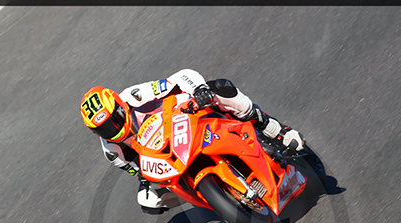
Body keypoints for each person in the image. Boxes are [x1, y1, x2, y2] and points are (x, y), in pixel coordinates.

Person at [80, 69, 306, 214]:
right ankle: (217, 198)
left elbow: (178, 78)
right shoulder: (112, 151)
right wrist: (150, 180)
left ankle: (272, 128)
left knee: (219, 88)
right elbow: (138, 172)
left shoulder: (135, 95)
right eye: (104, 129)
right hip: (166, 154)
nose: (113, 130)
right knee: (148, 200)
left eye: (114, 120)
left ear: (120, 105)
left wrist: (198, 90)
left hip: (186, 117)